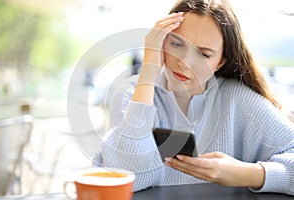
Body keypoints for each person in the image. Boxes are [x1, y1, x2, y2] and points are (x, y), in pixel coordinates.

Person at [93, 0, 294, 195]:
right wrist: (148, 72)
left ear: (220, 62)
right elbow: (127, 177)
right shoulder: (134, 97)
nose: (184, 63)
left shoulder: (238, 100)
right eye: (177, 44)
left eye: (204, 54)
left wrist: (244, 174)